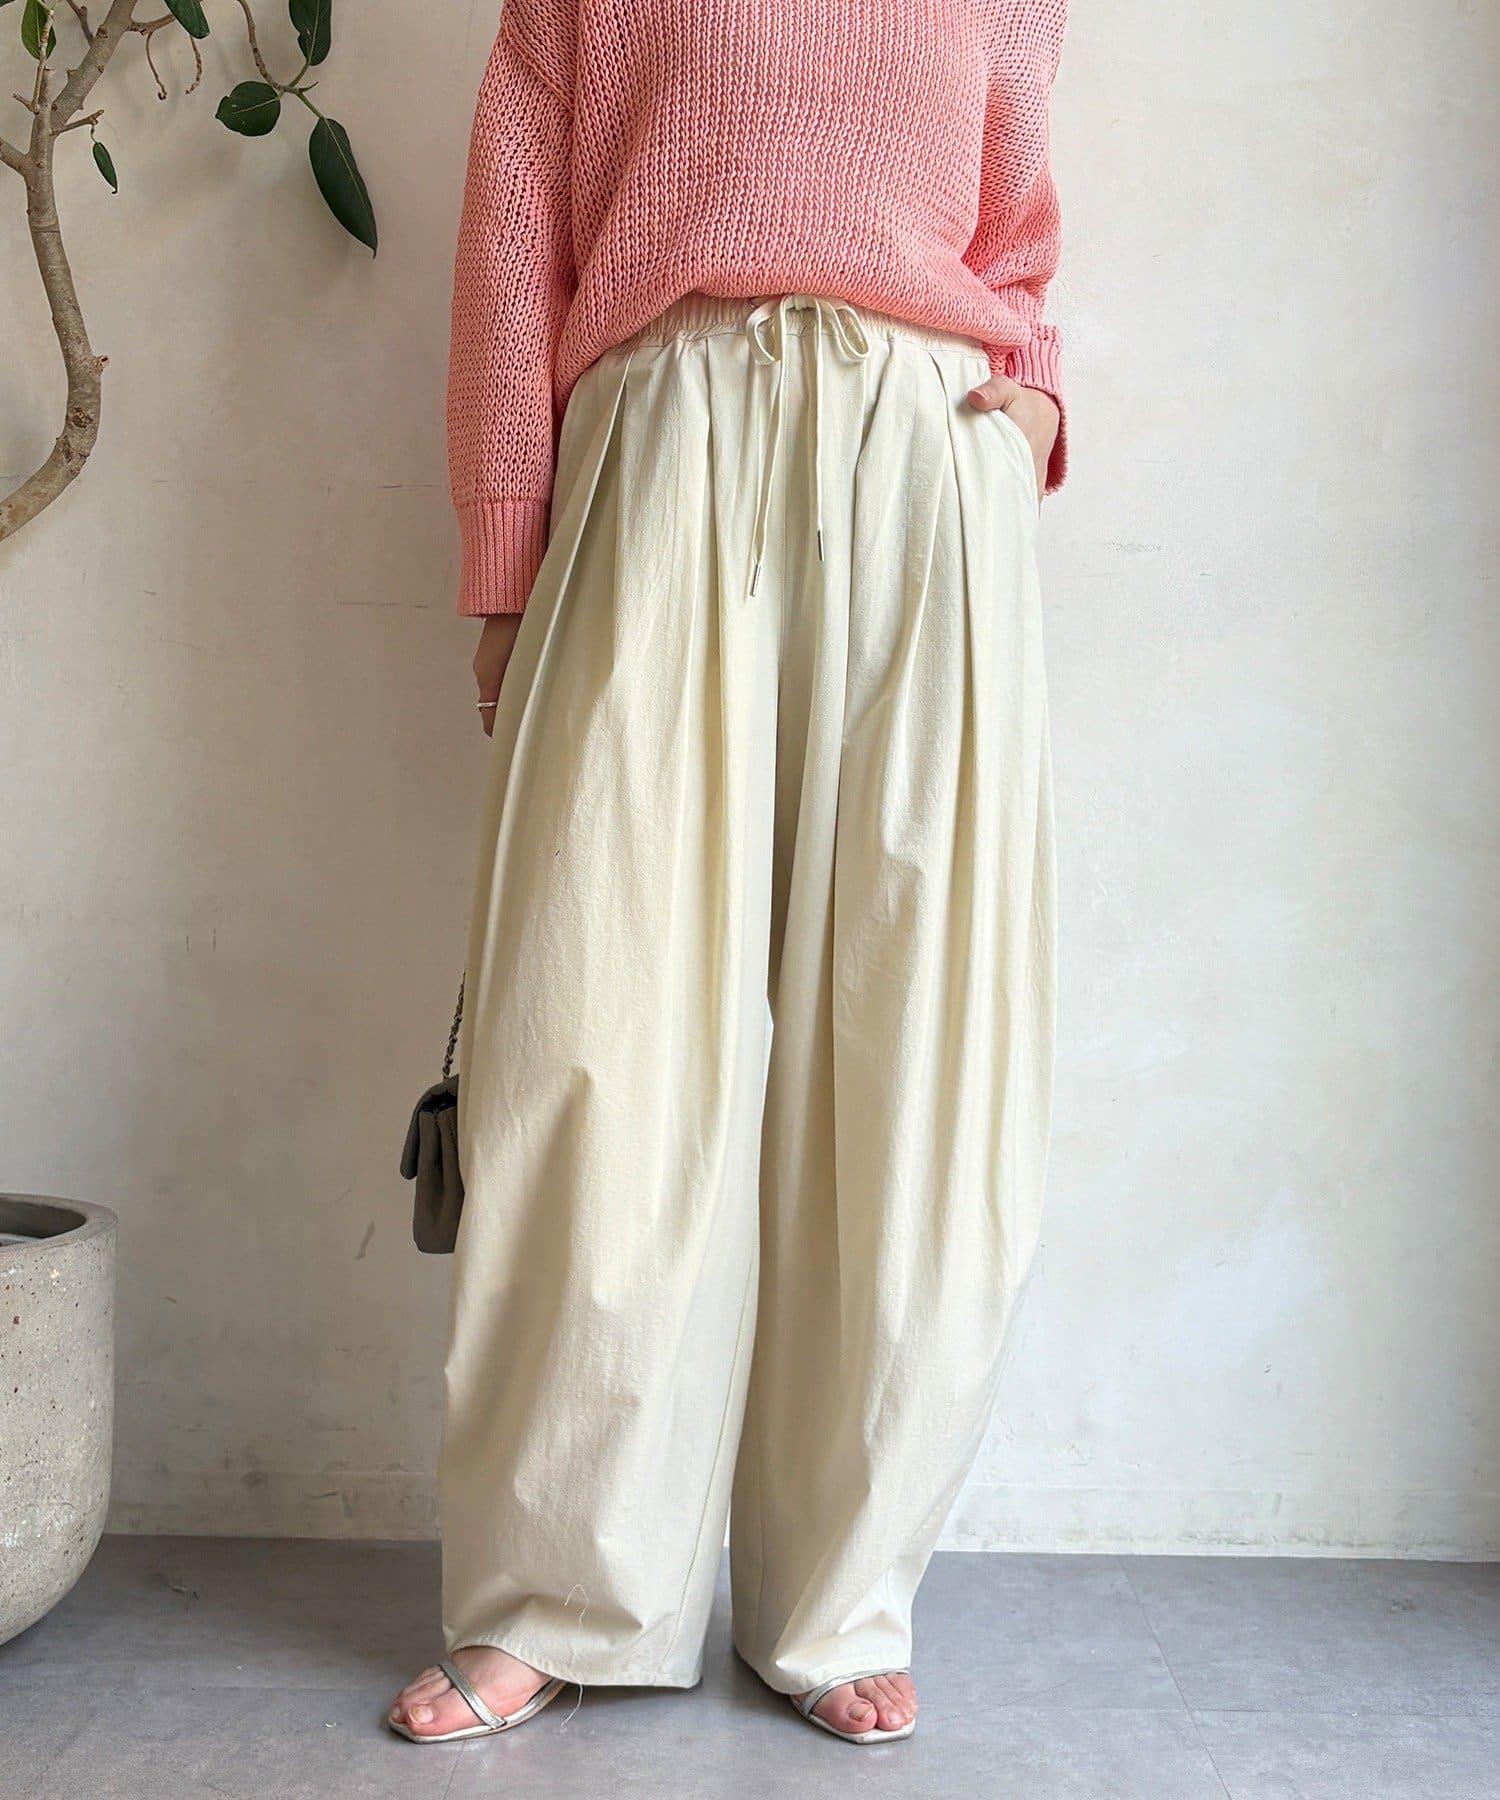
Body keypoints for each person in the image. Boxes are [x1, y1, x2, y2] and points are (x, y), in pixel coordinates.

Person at [390, 0, 1066, 1748]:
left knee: (913, 1043)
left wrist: (1027, 410)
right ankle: (557, 1590)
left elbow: (1015, 231)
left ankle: (844, 1598)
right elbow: (515, 242)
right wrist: (506, 557)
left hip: (926, 460)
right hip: (662, 440)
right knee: (594, 1028)